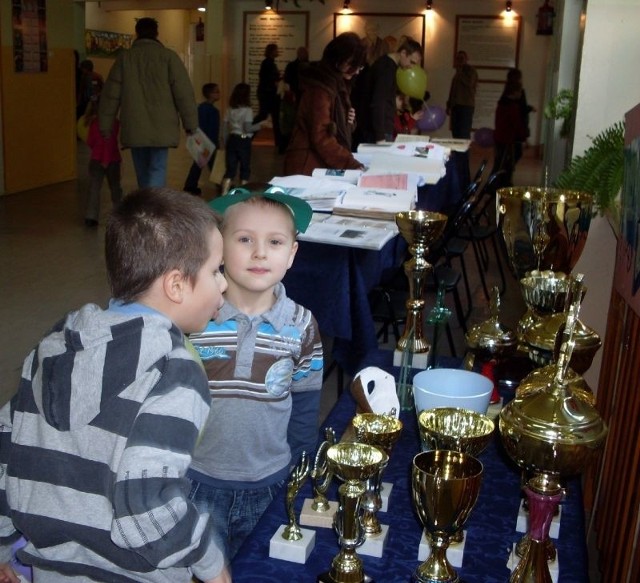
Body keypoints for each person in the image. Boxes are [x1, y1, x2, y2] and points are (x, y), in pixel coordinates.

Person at [0, 188, 231, 583]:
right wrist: (211, 565)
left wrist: (3, 544)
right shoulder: (174, 372)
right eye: (215, 271)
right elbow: (146, 505)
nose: (224, 284)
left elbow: (7, 452)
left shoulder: (51, 349)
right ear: (176, 286)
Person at [188, 186, 324, 560]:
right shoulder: (195, 318)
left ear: (292, 253)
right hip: (194, 480)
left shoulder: (301, 325)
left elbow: (305, 401)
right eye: (245, 239)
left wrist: (297, 469)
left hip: (270, 484)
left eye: (275, 241)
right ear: (217, 247)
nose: (260, 252)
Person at [99, 17, 198, 189]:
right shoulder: (169, 57)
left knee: (142, 170)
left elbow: (110, 95)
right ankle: (153, 206)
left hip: (134, 124)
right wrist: (190, 125)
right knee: (157, 168)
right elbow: (184, 94)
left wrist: (105, 126)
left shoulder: (125, 59)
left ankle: (146, 204)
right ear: (156, 33)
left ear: (136, 32)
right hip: (162, 125)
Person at [283, 32, 367, 176]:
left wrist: (349, 121)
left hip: (318, 164)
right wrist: (350, 164)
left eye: (359, 66)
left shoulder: (336, 84)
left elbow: (335, 129)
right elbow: (321, 136)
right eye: (352, 64)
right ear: (337, 60)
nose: (356, 71)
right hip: (308, 166)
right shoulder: (320, 88)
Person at [366, 36, 424, 143]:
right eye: (412, 62)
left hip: (385, 128)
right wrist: (380, 137)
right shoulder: (386, 69)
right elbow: (379, 103)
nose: (411, 67)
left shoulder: (392, 67)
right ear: (403, 53)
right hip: (378, 132)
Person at [83, 96, 123, 227]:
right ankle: (120, 215)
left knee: (94, 189)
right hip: (113, 161)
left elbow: (90, 142)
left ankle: (91, 216)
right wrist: (106, 159)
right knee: (115, 189)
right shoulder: (115, 123)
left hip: (95, 160)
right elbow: (110, 144)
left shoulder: (93, 123)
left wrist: (100, 156)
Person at [492, 68, 535, 185]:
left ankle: (495, 183)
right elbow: (517, 123)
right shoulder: (513, 107)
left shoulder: (502, 103)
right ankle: (503, 183)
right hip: (508, 139)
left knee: (500, 161)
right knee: (507, 163)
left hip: (499, 137)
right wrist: (524, 138)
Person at [221, 82, 265, 194]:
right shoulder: (248, 110)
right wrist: (262, 124)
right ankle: (243, 193)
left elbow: (224, 127)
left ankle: (224, 192)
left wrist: (224, 142)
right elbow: (248, 128)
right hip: (243, 140)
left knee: (230, 169)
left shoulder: (230, 109)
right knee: (245, 168)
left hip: (232, 139)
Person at [184, 82, 222, 196]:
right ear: (210, 94)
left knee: (199, 164)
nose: (219, 94)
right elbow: (211, 128)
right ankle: (219, 183)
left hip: (202, 141)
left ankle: (191, 185)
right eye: (216, 91)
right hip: (208, 142)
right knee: (210, 164)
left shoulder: (200, 108)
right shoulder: (212, 111)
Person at [253, 43, 283, 153]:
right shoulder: (268, 63)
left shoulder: (267, 63)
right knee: (269, 117)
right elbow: (270, 79)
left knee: (265, 116)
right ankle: (279, 143)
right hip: (269, 95)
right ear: (271, 51)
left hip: (267, 94)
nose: (277, 52)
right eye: (276, 50)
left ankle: (249, 135)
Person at [446, 50, 478, 139]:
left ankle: (463, 153)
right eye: (458, 58)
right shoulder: (457, 74)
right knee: (455, 133)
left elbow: (469, 83)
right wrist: (449, 105)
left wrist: (460, 72)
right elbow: (453, 90)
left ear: (466, 59)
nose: (459, 60)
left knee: (463, 134)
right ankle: (457, 152)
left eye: (461, 58)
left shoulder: (471, 70)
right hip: (456, 106)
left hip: (466, 106)